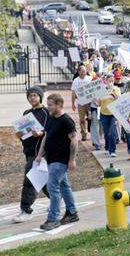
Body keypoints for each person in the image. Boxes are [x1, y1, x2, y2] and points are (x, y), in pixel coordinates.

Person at [34, 92, 79, 231]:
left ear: (60, 104)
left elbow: (74, 140)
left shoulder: (66, 120)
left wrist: (72, 159)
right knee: (64, 186)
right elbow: (46, 137)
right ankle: (72, 212)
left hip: (61, 160)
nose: (48, 107)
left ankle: (53, 218)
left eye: (51, 105)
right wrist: (40, 154)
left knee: (52, 187)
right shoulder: (51, 118)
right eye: (48, 105)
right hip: (51, 158)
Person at [13, 86, 49, 223]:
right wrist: (20, 135)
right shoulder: (27, 113)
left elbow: (49, 131)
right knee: (43, 180)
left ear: (40, 97)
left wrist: (41, 133)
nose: (32, 98)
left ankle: (26, 210)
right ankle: (57, 199)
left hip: (40, 152)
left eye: (35, 95)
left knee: (29, 181)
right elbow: (23, 133)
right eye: (29, 96)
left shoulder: (46, 113)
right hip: (29, 151)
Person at [97, 72, 120, 158]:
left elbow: (117, 98)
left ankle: (112, 150)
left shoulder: (116, 89)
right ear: (106, 81)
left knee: (112, 132)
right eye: (109, 81)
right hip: (104, 113)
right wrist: (96, 102)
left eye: (112, 81)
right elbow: (99, 103)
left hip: (113, 114)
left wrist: (112, 90)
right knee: (106, 133)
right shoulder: (101, 90)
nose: (111, 82)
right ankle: (107, 147)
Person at [70, 63, 92, 142]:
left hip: (90, 101)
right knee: (82, 119)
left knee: (91, 118)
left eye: (85, 71)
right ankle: (84, 134)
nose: (84, 72)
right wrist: (73, 104)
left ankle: (92, 133)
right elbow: (73, 93)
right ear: (79, 72)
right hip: (80, 102)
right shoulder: (76, 80)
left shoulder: (90, 78)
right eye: (82, 71)